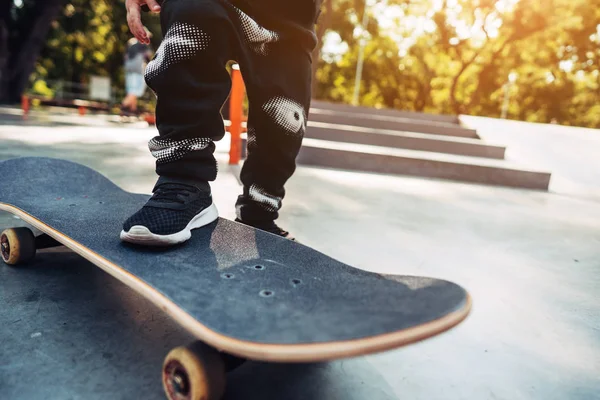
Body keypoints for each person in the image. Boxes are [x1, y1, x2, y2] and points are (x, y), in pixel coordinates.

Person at [120, 0, 322, 246]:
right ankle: (184, 182)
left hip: (289, 12)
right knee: (189, 33)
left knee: (283, 117)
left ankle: (260, 208)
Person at [121, 31, 153, 115]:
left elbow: (125, 56)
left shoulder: (131, 42)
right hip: (137, 70)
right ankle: (124, 105)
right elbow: (149, 56)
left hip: (129, 69)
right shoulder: (143, 44)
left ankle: (132, 110)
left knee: (131, 89)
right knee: (136, 90)